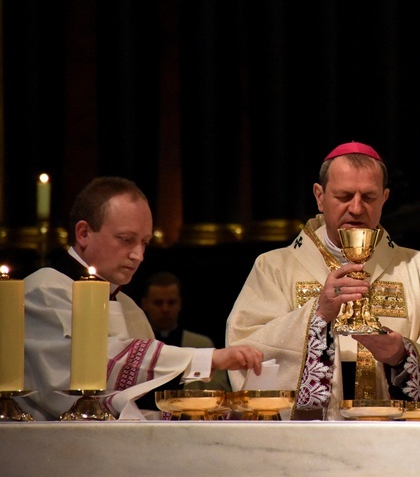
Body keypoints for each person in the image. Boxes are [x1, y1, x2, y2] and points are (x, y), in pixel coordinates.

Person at [226, 142, 420, 420]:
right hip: (307, 443)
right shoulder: (274, 267)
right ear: (320, 196)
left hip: (399, 443)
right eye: (344, 196)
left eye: (369, 197)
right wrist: (318, 315)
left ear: (385, 198)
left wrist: (402, 356)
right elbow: (243, 353)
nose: (357, 208)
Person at [21, 177, 263, 420]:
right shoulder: (41, 291)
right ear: (83, 233)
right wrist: (207, 358)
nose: (138, 255)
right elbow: (92, 370)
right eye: (126, 240)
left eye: (144, 243)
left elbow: (126, 401)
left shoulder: (127, 306)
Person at [141, 271, 231, 392]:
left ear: (180, 303)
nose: (165, 309)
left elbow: (217, 391)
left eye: (171, 302)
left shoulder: (201, 344)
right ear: (144, 304)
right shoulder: (137, 346)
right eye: (158, 302)